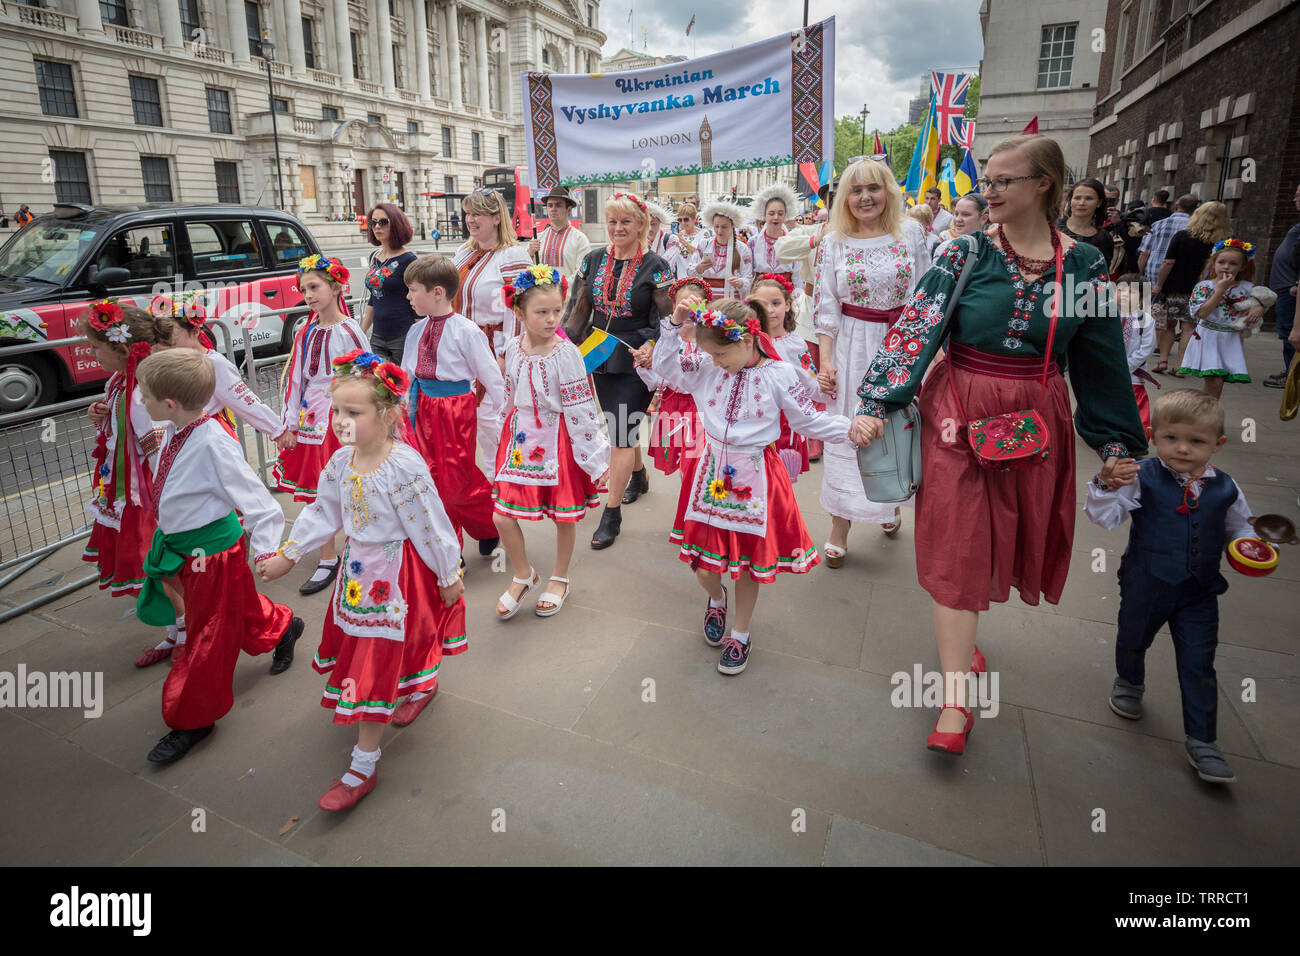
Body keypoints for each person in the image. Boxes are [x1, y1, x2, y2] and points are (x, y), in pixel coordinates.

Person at [853, 134, 1147, 756]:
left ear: (1044, 184)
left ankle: (963, 651)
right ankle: (955, 700)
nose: (988, 190)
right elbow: (917, 329)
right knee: (957, 545)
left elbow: (1100, 358)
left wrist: (1117, 442)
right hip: (957, 415)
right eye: (986, 179)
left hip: (1035, 420)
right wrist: (878, 402)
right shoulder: (964, 252)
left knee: (1003, 539)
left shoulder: (1086, 266)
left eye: (1002, 180)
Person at [258, 353, 466, 811]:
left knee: (377, 656)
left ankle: (363, 764)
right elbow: (323, 511)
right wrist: (290, 554)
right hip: (357, 573)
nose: (340, 421)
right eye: (336, 410)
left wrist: (448, 572)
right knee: (379, 648)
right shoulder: (339, 461)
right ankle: (419, 683)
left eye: (353, 412)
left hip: (400, 573)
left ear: (388, 415)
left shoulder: (404, 466)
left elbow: (430, 524)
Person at [648, 297, 870, 675]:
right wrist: (673, 324)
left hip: (756, 475)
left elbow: (808, 421)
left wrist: (849, 428)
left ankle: (741, 633)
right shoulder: (707, 367)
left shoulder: (780, 374)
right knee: (703, 565)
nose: (715, 361)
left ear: (748, 340)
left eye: (721, 354)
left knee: (748, 565)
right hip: (711, 473)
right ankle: (716, 599)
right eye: (711, 354)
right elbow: (666, 366)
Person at [133, 349, 303, 764]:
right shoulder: (176, 427)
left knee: (206, 635)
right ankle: (283, 626)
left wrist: (266, 551)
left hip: (211, 556)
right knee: (232, 610)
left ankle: (194, 717)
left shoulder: (213, 442)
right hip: (191, 550)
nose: (140, 400)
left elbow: (260, 502)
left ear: (169, 403)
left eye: (145, 394)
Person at [1085, 389, 1255, 784]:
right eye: (1171, 438)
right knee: (1133, 638)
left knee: (1199, 662)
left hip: (1199, 592)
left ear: (1218, 444)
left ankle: (1203, 740)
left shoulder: (1226, 488)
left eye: (1196, 441)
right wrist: (1106, 486)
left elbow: (1242, 528)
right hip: (1146, 583)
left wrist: (1252, 546)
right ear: (1153, 436)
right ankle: (1130, 681)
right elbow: (1104, 517)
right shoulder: (1141, 475)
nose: (1182, 448)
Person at [813, 158, 930, 559]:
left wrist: (924, 354)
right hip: (851, 347)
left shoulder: (911, 233)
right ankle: (840, 522)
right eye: (856, 190)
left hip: (902, 346)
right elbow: (826, 305)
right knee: (850, 431)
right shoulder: (833, 241)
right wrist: (825, 361)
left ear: (888, 192)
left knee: (896, 429)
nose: (865, 198)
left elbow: (926, 296)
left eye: (873, 188)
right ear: (845, 198)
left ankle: (890, 498)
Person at [491, 267, 611, 618]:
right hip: (519, 437)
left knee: (563, 515)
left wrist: (594, 458)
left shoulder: (566, 353)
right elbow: (509, 393)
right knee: (501, 516)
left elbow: (581, 406)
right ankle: (523, 574)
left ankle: (559, 577)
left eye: (557, 311)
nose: (551, 319)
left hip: (558, 439)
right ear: (520, 313)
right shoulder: (513, 347)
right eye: (541, 312)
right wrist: (500, 429)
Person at [562, 193, 674, 549]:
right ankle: (638, 476)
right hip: (598, 353)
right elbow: (578, 309)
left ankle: (611, 514)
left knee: (621, 435)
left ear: (641, 225)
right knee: (620, 424)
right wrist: (562, 344)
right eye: (612, 221)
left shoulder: (656, 266)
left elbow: (666, 318)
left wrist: (653, 344)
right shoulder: (592, 259)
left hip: (635, 358)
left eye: (625, 221)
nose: (618, 228)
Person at [272, 255, 368, 595]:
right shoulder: (306, 331)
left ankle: (361, 543)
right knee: (317, 486)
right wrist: (288, 424)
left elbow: (366, 373)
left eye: (314, 287)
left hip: (342, 416)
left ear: (336, 287)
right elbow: (296, 379)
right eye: (303, 289)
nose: (308, 295)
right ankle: (328, 556)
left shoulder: (350, 330)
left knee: (351, 481)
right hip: (311, 418)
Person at [80, 300, 170, 652]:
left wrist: (163, 497)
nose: (92, 354)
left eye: (96, 347)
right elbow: (122, 431)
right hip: (124, 489)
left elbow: (156, 448)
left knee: (151, 564)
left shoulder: (142, 392)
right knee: (149, 566)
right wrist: (100, 413)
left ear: (121, 348)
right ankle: (178, 629)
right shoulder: (121, 382)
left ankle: (184, 628)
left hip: (141, 493)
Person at [400, 253, 504, 556]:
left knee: (455, 481)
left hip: (454, 409)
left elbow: (491, 376)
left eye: (413, 290)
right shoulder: (415, 330)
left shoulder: (466, 330)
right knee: (428, 477)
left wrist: (506, 414)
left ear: (437, 292)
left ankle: (488, 524)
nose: (408, 297)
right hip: (420, 406)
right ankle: (449, 550)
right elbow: (407, 374)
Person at [451, 188, 531, 466]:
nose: (470, 220)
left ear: (497, 218)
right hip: (461, 349)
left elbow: (520, 311)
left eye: (478, 214)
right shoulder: (463, 253)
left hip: (493, 348)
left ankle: (506, 481)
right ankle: (487, 483)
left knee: (493, 421)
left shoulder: (513, 256)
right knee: (470, 422)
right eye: (468, 213)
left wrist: (506, 354)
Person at [148, 293, 286, 443]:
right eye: (163, 342)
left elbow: (245, 402)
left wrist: (277, 431)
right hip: (178, 440)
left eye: (172, 340)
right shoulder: (169, 363)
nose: (168, 347)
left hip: (208, 437)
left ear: (195, 332)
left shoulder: (214, 364)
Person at [750, 272, 824, 481]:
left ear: (787, 305)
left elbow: (810, 384)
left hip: (786, 426)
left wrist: (828, 388)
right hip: (754, 423)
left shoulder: (796, 344)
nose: (770, 310)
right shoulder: (749, 342)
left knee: (781, 482)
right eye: (763, 304)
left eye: (776, 303)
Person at [641, 278, 710, 479]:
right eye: (683, 306)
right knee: (680, 461)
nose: (688, 312)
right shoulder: (669, 338)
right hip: (673, 405)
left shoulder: (710, 341)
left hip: (700, 406)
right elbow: (660, 370)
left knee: (695, 462)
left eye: (694, 306)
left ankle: (692, 494)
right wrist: (644, 364)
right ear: (674, 307)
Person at [1177, 238, 1262, 398]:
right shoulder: (1205, 286)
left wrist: (1259, 307)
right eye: (1221, 262)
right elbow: (1202, 313)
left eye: (1233, 263)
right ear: (1213, 262)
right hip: (1208, 337)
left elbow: (1263, 300)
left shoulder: (1247, 288)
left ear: (1243, 266)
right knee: (1214, 381)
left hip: (1230, 339)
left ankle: (1205, 409)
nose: (1226, 267)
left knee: (1218, 382)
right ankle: (1201, 409)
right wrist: (1220, 290)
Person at [1150, 199, 1228, 375]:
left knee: (1169, 325)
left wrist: (1159, 284)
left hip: (1176, 287)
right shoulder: (1222, 243)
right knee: (1188, 328)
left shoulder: (1183, 236)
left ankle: (1163, 361)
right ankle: (1181, 366)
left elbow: (1168, 262)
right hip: (1203, 289)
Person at [361, 203, 419, 364]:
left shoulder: (409, 259)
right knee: (377, 378)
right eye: (373, 223)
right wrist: (361, 331)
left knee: (402, 379)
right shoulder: (374, 257)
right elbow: (374, 297)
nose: (377, 227)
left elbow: (418, 300)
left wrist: (421, 337)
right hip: (377, 336)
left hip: (403, 335)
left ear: (397, 224)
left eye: (383, 222)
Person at [1264, 183, 1300, 388]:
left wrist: (1296, 283)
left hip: (1291, 291)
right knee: (1287, 334)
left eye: (1298, 195)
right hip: (1286, 289)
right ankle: (1290, 371)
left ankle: (1293, 378)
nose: (1295, 199)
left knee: (1291, 335)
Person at [1114, 273, 1157, 435]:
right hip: (1107, 367)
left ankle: (1134, 435)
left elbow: (1147, 348)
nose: (1124, 294)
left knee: (1132, 402)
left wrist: (1127, 366)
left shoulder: (1146, 319)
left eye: (1131, 291)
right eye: (1120, 290)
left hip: (1132, 372)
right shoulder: (1106, 316)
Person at [690, 200, 754, 299]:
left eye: (724, 227)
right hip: (707, 299)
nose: (719, 231)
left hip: (730, 300)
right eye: (716, 226)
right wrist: (699, 268)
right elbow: (691, 271)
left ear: (732, 226)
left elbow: (748, 277)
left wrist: (740, 282)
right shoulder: (704, 244)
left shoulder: (742, 248)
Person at [527, 186, 591, 285]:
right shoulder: (538, 238)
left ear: (569, 210)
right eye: (550, 205)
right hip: (541, 293)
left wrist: (559, 287)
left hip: (567, 294)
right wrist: (530, 253)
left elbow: (582, 273)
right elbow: (527, 270)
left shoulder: (580, 239)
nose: (553, 209)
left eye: (558, 205)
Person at [1057, 178, 1114, 273]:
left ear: (1099, 203)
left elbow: (1101, 273)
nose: (1081, 203)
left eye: (1089, 198)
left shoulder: (1104, 238)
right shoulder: (1053, 228)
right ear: (1070, 200)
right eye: (1077, 198)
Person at [665, 202, 706, 278]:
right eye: (680, 220)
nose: (683, 223)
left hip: (697, 279)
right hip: (680, 279)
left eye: (686, 219)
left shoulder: (703, 234)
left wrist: (682, 240)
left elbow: (700, 255)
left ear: (694, 219)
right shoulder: (677, 236)